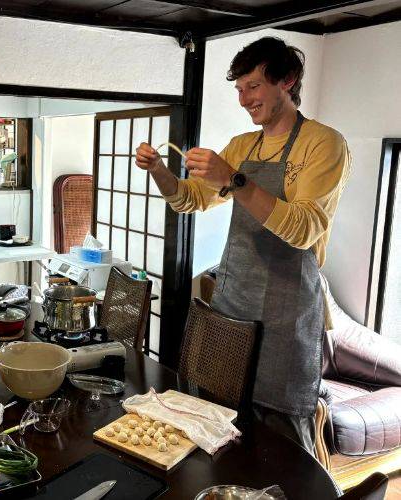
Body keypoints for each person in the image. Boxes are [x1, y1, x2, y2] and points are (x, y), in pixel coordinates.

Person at [136, 37, 351, 454]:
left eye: (252, 86)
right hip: (233, 306)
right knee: (222, 421)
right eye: (238, 89)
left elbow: (304, 229)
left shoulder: (324, 144)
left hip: (286, 317)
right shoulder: (243, 145)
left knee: (282, 437)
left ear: (287, 80)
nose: (243, 99)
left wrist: (235, 179)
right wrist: (159, 170)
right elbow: (188, 200)